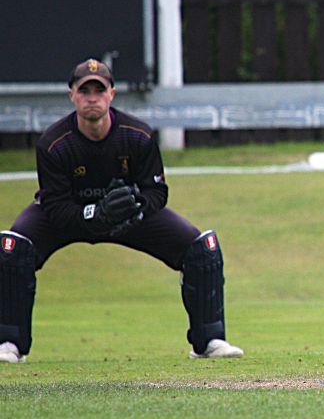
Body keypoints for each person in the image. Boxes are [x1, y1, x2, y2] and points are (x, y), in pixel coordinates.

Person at [0, 58, 243, 363]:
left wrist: (136, 207)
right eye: (84, 91)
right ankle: (9, 343)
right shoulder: (54, 144)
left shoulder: (137, 135)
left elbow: (157, 191)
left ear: (111, 94)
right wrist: (94, 213)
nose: (92, 98)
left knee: (202, 248)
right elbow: (55, 206)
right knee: (12, 247)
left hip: (127, 216)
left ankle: (209, 341)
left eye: (99, 90)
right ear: (72, 95)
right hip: (70, 215)